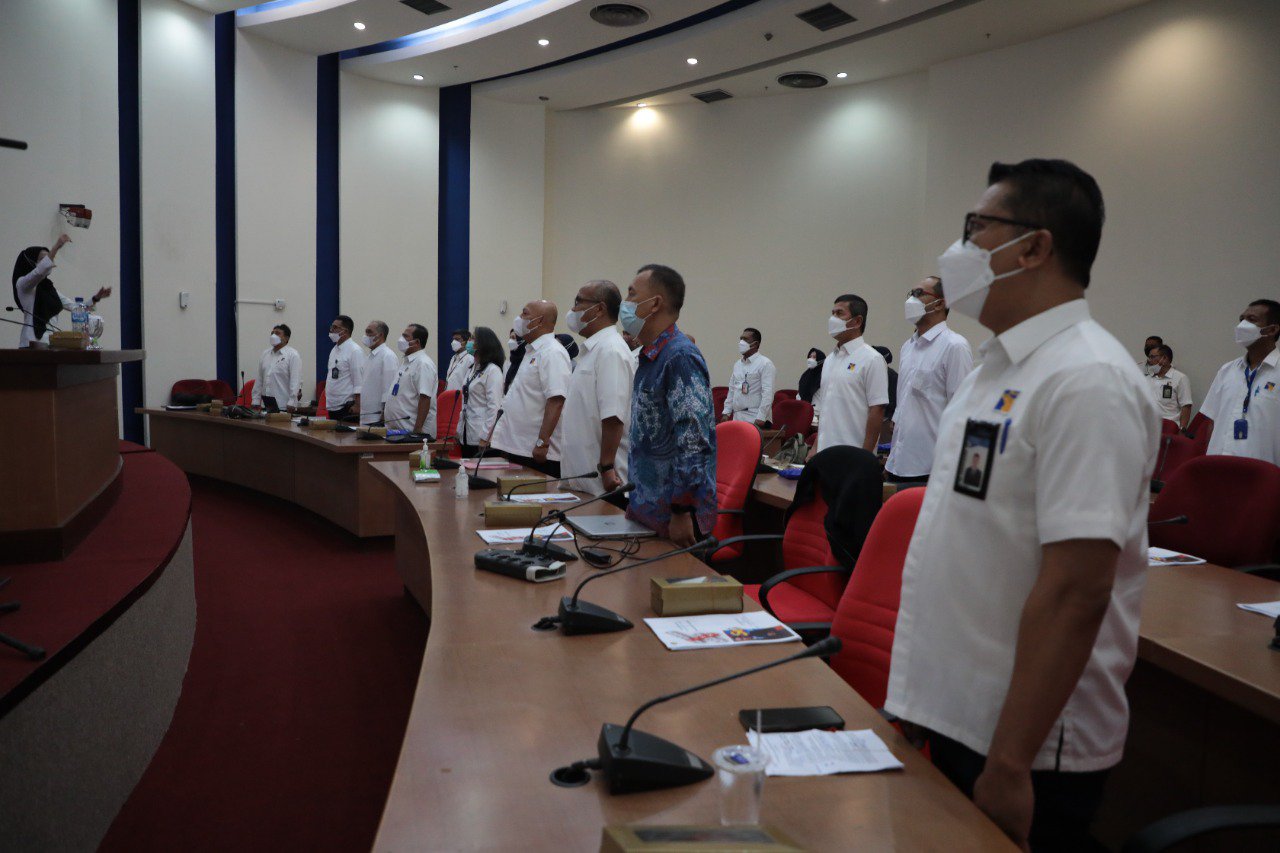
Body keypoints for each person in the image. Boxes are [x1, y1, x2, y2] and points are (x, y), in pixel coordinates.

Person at [884, 159, 1158, 852]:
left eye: (976, 228)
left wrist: (1009, 763)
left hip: (1026, 745)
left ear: (1034, 247)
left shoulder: (1087, 377)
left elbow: (1076, 589)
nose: (958, 250)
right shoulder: (995, 367)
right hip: (959, 711)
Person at [622, 264, 716, 546]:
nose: (625, 303)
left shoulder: (679, 357)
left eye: (632, 294)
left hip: (675, 516)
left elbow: (693, 441)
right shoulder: (650, 356)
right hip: (646, 506)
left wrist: (681, 509)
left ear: (655, 304)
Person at [884, 276, 974, 483]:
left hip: (931, 465)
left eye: (919, 294)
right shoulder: (908, 347)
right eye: (911, 294)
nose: (911, 300)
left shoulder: (954, 346)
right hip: (899, 462)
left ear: (940, 303)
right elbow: (905, 404)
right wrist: (892, 457)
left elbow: (961, 410)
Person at [560, 280, 635, 499]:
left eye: (578, 302)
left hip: (604, 483)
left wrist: (607, 467)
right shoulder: (592, 350)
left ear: (599, 308)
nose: (573, 309)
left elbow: (613, 417)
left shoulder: (611, 350)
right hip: (583, 478)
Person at [490, 300, 571, 476]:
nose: (519, 318)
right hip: (520, 448)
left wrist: (542, 442)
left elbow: (556, 400)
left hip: (537, 453)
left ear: (539, 321)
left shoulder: (552, 352)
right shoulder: (532, 351)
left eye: (525, 313)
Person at [1198, 300, 1280, 464]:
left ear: (1272, 329)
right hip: (1219, 467)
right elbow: (1212, 422)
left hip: (1262, 472)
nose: (1242, 325)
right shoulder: (1226, 370)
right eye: (1241, 319)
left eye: (1251, 319)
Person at [815, 295, 889, 453]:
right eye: (832, 313)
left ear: (857, 321)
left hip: (853, 452)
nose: (833, 318)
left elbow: (877, 410)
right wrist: (815, 447)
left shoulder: (872, 359)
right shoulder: (829, 359)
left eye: (839, 313)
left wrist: (865, 456)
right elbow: (825, 409)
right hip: (824, 451)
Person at [11, 237, 112, 348]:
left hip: (50, 344)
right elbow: (39, 272)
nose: (50, 262)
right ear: (31, 261)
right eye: (44, 259)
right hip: (30, 345)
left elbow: (76, 308)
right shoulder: (23, 284)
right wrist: (56, 247)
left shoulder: (50, 290)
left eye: (49, 258)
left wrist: (96, 298)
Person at [383, 324, 438, 437]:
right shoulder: (407, 361)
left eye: (405, 336)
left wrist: (417, 429)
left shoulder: (423, 364)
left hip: (413, 433)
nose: (401, 339)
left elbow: (425, 398)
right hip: (397, 431)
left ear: (417, 342)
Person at [459, 326, 505, 456]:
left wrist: (486, 437)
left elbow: (494, 407)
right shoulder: (472, 368)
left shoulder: (493, 370)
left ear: (483, 343)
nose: (469, 342)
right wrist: (459, 430)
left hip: (482, 436)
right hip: (466, 432)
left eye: (473, 339)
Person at [720, 328, 776, 428]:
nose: (741, 342)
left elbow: (768, 393)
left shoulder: (765, 364)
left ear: (755, 344)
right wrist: (726, 412)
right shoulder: (738, 364)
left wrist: (761, 417)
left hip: (755, 418)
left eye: (745, 339)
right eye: (741, 339)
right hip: (738, 417)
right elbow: (732, 389)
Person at [253, 324, 303, 411]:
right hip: (266, 406)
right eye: (272, 333)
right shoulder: (265, 354)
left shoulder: (293, 355)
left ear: (286, 338)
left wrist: (292, 401)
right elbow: (259, 379)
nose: (273, 335)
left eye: (277, 333)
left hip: (284, 406)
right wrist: (255, 400)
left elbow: (295, 381)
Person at [358, 320, 399, 427]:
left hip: (378, 417)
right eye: (366, 332)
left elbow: (389, 388)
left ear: (380, 335)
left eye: (369, 332)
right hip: (366, 415)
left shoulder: (387, 356)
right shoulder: (370, 356)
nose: (365, 335)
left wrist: (385, 413)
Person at [1144, 344, 1192, 432]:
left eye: (1152, 357)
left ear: (1164, 358)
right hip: (1149, 428)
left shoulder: (1180, 378)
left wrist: (1182, 430)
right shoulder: (1147, 379)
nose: (1149, 361)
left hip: (1169, 428)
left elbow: (1186, 406)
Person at [325, 315, 364, 422]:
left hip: (347, 406)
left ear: (345, 331)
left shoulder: (355, 351)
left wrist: (358, 405)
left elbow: (359, 381)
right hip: (333, 405)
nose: (331, 330)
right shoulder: (334, 350)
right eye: (331, 327)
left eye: (335, 327)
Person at [444, 328, 474, 392]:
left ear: (465, 342)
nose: (453, 342)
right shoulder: (453, 358)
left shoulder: (470, 359)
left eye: (457, 339)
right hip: (449, 394)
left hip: (460, 396)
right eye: (453, 339)